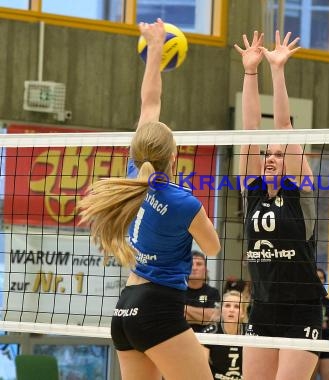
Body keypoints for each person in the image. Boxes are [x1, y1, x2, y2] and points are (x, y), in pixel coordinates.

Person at [78, 19, 220, 380]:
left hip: (125, 309)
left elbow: (149, 102)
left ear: (139, 152)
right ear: (173, 158)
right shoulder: (184, 202)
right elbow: (214, 248)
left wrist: (154, 48)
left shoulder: (131, 179)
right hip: (158, 308)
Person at [235, 30, 325, 380]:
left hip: (301, 310)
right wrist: (250, 71)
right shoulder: (251, 190)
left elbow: (284, 126)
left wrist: (277, 69)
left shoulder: (301, 192)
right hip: (263, 309)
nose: (270, 157)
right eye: (266, 153)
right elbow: (249, 128)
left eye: (277, 153)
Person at [202, 290, 247, 380]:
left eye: (236, 306)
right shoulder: (211, 333)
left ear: (243, 313)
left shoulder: (249, 333)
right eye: (227, 305)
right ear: (221, 310)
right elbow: (202, 368)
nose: (231, 310)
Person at [185, 251, 221, 332]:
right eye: (191, 264)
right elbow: (173, 315)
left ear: (205, 269)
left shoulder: (213, 292)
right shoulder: (177, 291)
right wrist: (201, 316)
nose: (194, 268)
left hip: (206, 338)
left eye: (199, 264)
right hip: (181, 337)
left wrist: (183, 309)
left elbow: (212, 317)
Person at [314, 268, 329, 380]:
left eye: (322, 277)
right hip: (310, 343)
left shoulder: (328, 302)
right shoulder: (304, 300)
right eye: (317, 276)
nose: (319, 279)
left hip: (327, 343)